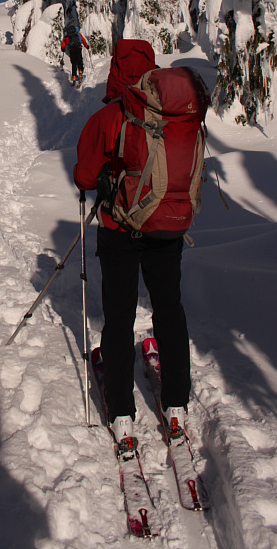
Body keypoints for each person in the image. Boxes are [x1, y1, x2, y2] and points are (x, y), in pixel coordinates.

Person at [73, 41, 208, 445]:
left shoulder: (110, 116)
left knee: (118, 316)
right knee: (169, 309)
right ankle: (176, 404)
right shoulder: (176, 115)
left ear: (115, 70)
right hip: (168, 230)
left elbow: (83, 177)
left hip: (119, 231)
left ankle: (122, 412)